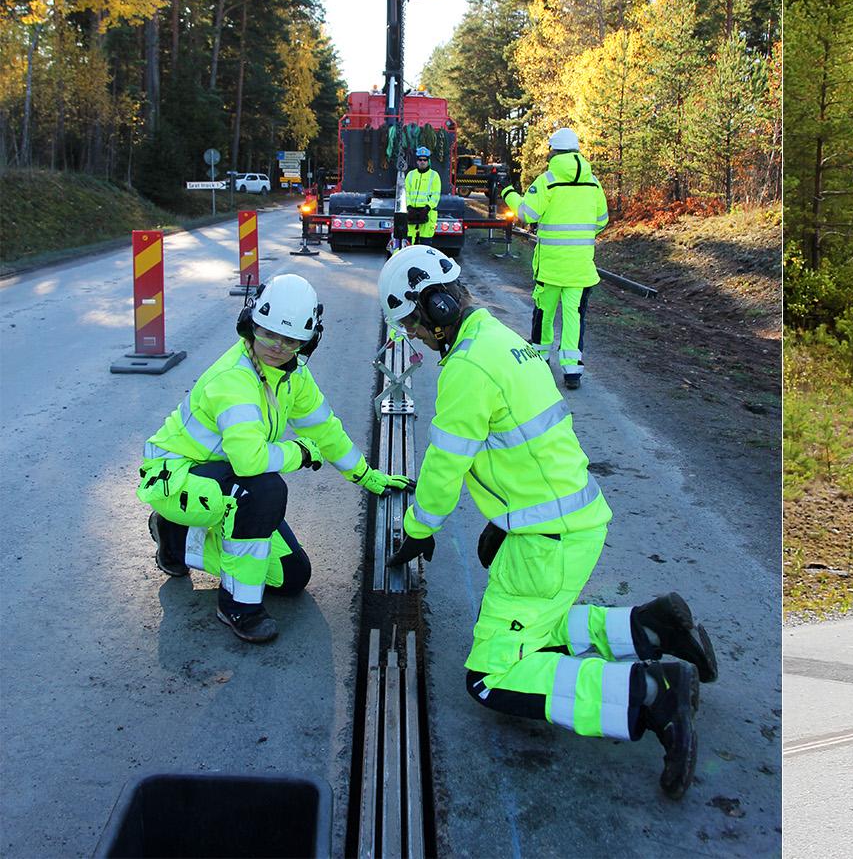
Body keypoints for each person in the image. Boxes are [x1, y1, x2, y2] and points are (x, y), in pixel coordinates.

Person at [376, 245, 717, 798]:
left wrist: (417, 531)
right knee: (542, 624)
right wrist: (504, 518)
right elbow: (524, 449)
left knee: (492, 677)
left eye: (414, 325)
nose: (415, 336)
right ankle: (655, 626)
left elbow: (442, 471)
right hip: (567, 522)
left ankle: (651, 693)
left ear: (436, 309)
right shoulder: (504, 341)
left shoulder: (466, 368)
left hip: (548, 540)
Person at [137, 274, 413, 643]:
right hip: (175, 479)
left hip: (219, 480)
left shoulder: (292, 375)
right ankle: (238, 605)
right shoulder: (234, 380)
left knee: (291, 577)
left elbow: (325, 430)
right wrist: (298, 453)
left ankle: (177, 538)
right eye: (267, 333)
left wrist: (366, 476)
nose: (277, 346)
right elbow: (250, 462)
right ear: (250, 324)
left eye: (290, 340)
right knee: (263, 490)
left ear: (308, 340)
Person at [503, 127, 609, 389]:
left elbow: (526, 214)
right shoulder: (593, 183)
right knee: (574, 318)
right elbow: (602, 221)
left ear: (553, 151)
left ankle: (540, 360)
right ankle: (572, 371)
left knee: (544, 313)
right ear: (577, 151)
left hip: (550, 267)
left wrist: (508, 193)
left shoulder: (547, 181)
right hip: (581, 268)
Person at [396, 145, 441, 251]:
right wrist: (409, 207)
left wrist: (427, 208)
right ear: (417, 161)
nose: (422, 162)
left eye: (425, 160)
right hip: (411, 212)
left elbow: (435, 195)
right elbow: (406, 193)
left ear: (428, 161)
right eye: (420, 160)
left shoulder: (434, 176)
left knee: (425, 245)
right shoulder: (411, 175)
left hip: (427, 213)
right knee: (407, 242)